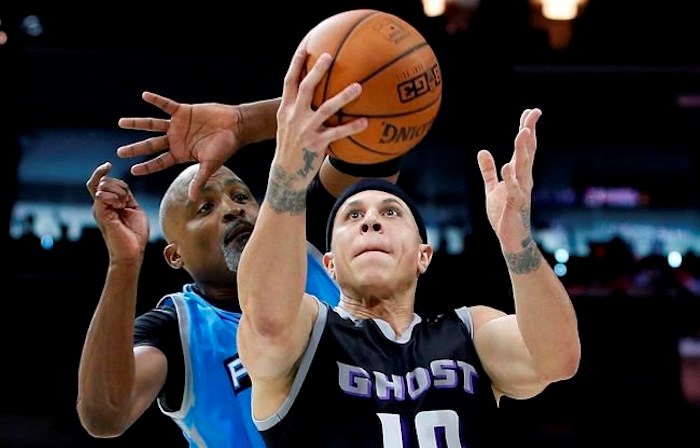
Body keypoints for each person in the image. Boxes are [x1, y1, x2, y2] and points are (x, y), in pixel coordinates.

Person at [236, 39, 582, 447]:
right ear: (329, 264)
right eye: (353, 216)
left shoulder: (469, 332)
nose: (370, 223)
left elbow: (557, 358)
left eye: (390, 212)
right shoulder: (308, 332)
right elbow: (268, 321)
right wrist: (287, 177)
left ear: (423, 255)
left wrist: (518, 244)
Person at [76, 44, 405, 447]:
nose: (233, 210)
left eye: (241, 196)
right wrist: (123, 264)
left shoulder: (311, 246)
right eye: (205, 207)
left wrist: (243, 122)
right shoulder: (178, 329)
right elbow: (104, 414)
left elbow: (370, 121)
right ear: (175, 255)